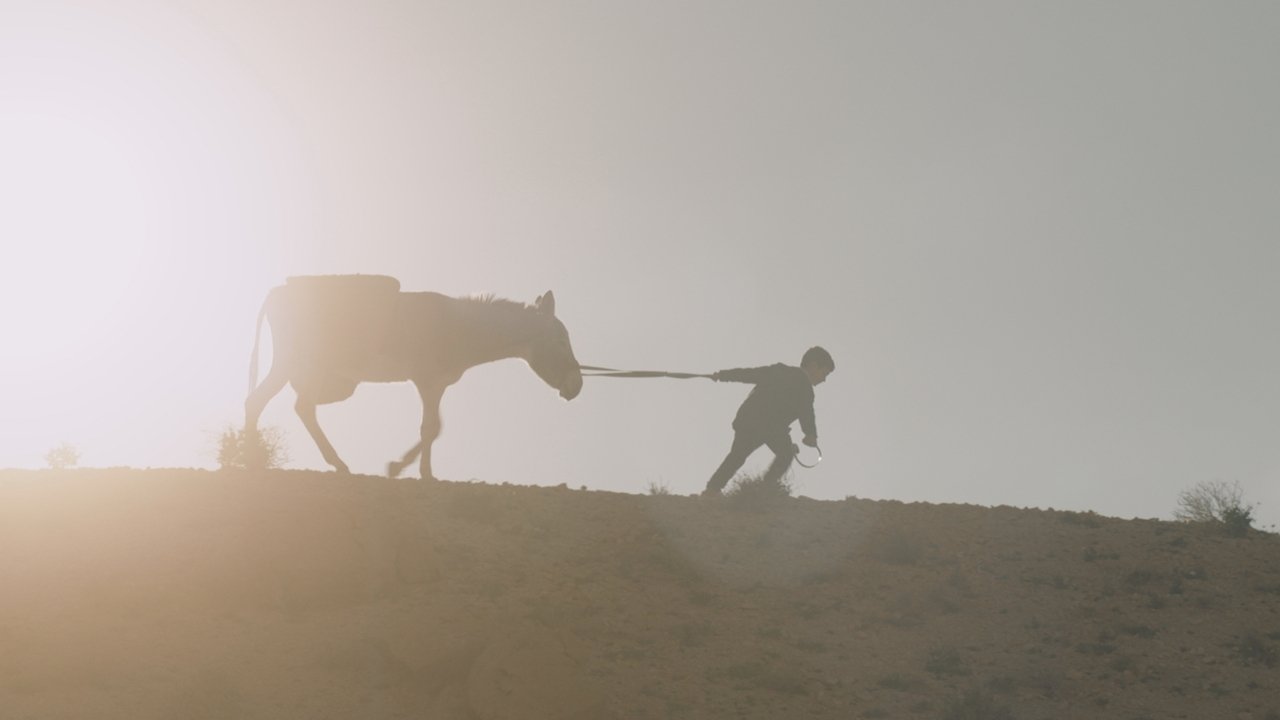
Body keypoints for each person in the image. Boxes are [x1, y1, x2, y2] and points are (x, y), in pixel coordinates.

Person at [702, 346, 834, 496]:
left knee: (737, 456)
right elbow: (807, 413)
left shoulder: (779, 370)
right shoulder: (805, 387)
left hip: (748, 419)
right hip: (771, 426)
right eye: (825, 373)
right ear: (813, 366)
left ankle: (712, 489)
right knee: (786, 453)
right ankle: (765, 489)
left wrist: (722, 375)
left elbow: (750, 374)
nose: (824, 380)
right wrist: (811, 435)